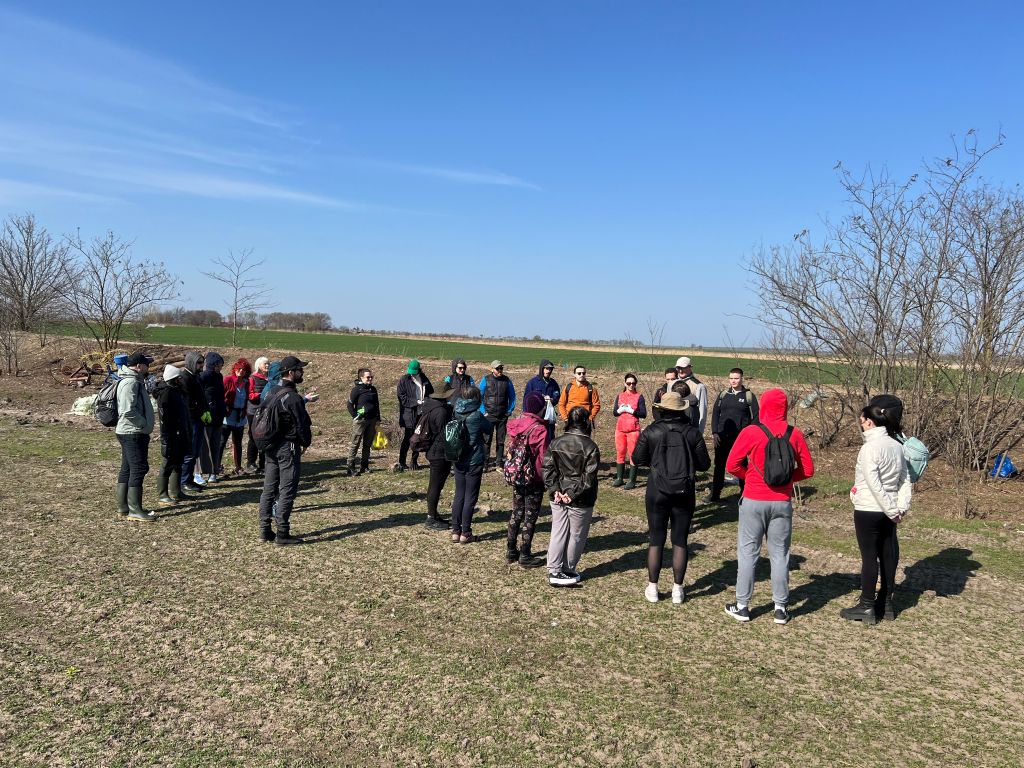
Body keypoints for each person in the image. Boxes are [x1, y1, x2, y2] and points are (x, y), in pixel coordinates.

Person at [724, 388, 814, 625]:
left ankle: (742, 606)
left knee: (748, 553)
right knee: (780, 554)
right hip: (782, 502)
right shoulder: (795, 434)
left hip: (753, 499)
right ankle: (781, 608)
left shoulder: (751, 431)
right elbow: (808, 469)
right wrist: (787, 481)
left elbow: (732, 465)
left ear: (763, 406)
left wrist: (751, 477)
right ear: (785, 408)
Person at [631, 392, 711, 603]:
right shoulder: (692, 433)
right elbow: (705, 464)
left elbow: (636, 458)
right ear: (682, 409)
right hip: (684, 491)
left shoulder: (652, 431)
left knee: (656, 539)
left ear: (662, 409)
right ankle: (678, 590)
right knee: (680, 541)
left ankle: (653, 588)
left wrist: (655, 462)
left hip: (657, 490)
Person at [840, 400, 912, 624]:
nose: (861, 424)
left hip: (869, 509)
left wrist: (893, 510)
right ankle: (886, 603)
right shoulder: (897, 446)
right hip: (889, 510)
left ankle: (866, 606)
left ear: (870, 422)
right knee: (887, 555)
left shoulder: (869, 448)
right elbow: (905, 480)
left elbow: (873, 483)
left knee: (869, 558)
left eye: (862, 420)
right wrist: (900, 508)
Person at [257, 356, 313, 546]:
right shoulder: (293, 398)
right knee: (287, 489)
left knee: (269, 488)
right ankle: (282, 533)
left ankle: (264, 530)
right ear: (291, 373)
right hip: (287, 448)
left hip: (270, 445)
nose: (302, 372)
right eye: (299, 370)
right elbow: (302, 425)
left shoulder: (272, 391)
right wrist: (305, 442)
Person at [544, 406, 600, 587]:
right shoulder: (591, 447)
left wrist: (556, 490)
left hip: (559, 495)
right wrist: (571, 494)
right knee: (576, 535)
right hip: (581, 498)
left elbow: (547, 469)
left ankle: (554, 570)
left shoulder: (556, 442)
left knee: (558, 532)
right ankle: (567, 569)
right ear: (586, 422)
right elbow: (589, 477)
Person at [505, 392, 552, 567]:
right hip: (533, 478)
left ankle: (511, 550)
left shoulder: (516, 424)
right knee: (530, 517)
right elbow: (543, 458)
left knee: (516, 512)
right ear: (540, 409)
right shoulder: (539, 429)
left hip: (517, 474)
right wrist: (544, 479)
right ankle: (525, 554)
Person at [115, 351, 157, 522]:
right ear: (139, 366)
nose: (149, 367)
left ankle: (124, 507)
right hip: (132, 432)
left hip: (130, 431)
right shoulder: (131, 382)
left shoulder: (133, 380)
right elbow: (127, 410)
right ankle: (134, 510)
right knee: (139, 468)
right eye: (147, 364)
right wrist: (143, 424)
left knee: (128, 468)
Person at [449, 386, 493, 543]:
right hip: (474, 459)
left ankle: (455, 530)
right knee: (470, 497)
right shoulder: (477, 415)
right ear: (476, 399)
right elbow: (489, 428)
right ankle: (466, 532)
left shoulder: (455, 411)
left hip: (458, 458)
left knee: (459, 494)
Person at [709, 368, 759, 502]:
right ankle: (715, 494)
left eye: (736, 378)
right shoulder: (723, 395)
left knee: (742, 465)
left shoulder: (749, 396)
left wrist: (751, 436)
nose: (733, 381)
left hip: (741, 439)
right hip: (722, 437)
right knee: (719, 465)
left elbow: (756, 417)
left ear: (742, 378)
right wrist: (715, 432)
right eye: (731, 378)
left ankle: (745, 494)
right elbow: (715, 414)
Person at [153, 364, 193, 505]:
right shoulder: (166, 393)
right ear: (174, 379)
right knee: (168, 461)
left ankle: (176, 491)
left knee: (178, 461)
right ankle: (163, 494)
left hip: (180, 431)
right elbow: (165, 416)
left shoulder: (177, 391)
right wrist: (172, 430)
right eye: (179, 378)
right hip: (171, 433)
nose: (181, 380)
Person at [421, 390, 455, 530]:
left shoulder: (431, 406)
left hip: (434, 451)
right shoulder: (441, 411)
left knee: (436, 485)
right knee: (435, 485)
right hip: (439, 453)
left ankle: (434, 514)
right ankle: (431, 518)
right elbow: (444, 434)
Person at [179, 351, 212, 493]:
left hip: (199, 420)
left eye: (202, 363)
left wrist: (206, 410)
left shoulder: (196, 377)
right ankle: (184, 481)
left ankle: (189, 479)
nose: (201, 366)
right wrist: (200, 411)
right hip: (191, 421)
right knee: (190, 452)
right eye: (199, 363)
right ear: (191, 362)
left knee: (196, 452)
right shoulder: (184, 378)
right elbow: (188, 403)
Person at [611, 372, 647, 489]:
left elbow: (643, 414)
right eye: (629, 383)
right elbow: (615, 412)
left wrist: (633, 411)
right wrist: (619, 410)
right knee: (620, 453)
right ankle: (619, 478)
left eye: (633, 383)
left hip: (633, 430)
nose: (631, 385)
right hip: (620, 429)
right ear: (625, 383)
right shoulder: (620, 396)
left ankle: (632, 480)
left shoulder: (639, 396)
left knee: (633, 455)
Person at [397, 359, 433, 471]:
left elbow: (431, 393)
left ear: (419, 370)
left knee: (418, 437)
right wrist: (416, 402)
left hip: (422, 413)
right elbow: (402, 397)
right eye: (411, 372)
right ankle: (402, 461)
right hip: (409, 414)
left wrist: (426, 402)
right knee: (408, 437)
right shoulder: (404, 380)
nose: (412, 374)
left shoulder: (424, 379)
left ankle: (414, 461)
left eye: (414, 372)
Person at [479, 360, 516, 470]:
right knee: (486, 440)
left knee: (500, 440)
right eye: (497, 368)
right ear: (492, 369)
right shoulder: (485, 380)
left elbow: (512, 397)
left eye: (501, 368)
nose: (500, 370)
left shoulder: (507, 381)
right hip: (488, 416)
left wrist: (509, 411)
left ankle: (499, 462)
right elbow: (479, 396)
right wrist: (483, 411)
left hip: (502, 416)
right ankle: (485, 463)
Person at [347, 368, 380, 477]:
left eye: (371, 377)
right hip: (360, 421)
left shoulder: (373, 389)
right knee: (355, 443)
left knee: (367, 444)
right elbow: (349, 404)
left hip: (372, 420)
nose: (370, 379)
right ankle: (350, 467)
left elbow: (376, 404)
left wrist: (378, 419)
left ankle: (364, 466)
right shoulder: (356, 390)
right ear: (361, 378)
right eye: (368, 377)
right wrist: (355, 416)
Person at [221, 358, 252, 476]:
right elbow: (221, 395)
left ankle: (238, 467)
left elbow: (247, 397)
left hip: (240, 416)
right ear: (234, 369)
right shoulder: (228, 380)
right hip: (228, 415)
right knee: (222, 442)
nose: (241, 371)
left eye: (243, 369)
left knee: (238, 443)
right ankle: (217, 467)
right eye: (239, 369)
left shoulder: (247, 382)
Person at [198, 352, 226, 481]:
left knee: (216, 445)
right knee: (205, 446)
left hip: (219, 416)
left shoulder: (219, 376)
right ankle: (201, 472)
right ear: (212, 365)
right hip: (207, 417)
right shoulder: (203, 377)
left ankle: (214, 471)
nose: (220, 367)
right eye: (219, 365)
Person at [244, 356, 270, 474]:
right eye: (265, 364)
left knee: (265, 435)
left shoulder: (270, 378)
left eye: (268, 363)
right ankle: (251, 462)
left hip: (266, 410)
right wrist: (262, 394)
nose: (267, 365)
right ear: (258, 365)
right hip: (253, 411)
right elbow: (250, 395)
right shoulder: (252, 378)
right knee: (253, 436)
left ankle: (263, 463)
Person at [523, 359, 561, 439]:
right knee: (536, 437)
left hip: (549, 416)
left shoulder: (553, 383)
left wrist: (552, 400)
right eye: (546, 368)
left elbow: (557, 395)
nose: (548, 371)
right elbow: (526, 400)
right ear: (542, 369)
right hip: (536, 417)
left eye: (550, 369)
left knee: (549, 438)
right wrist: (527, 416)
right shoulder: (532, 383)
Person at [676, 357, 708, 434]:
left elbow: (702, 411)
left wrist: (699, 432)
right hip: (674, 429)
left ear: (690, 367)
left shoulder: (699, 386)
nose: (680, 371)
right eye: (678, 368)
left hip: (691, 429)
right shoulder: (672, 383)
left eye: (683, 368)